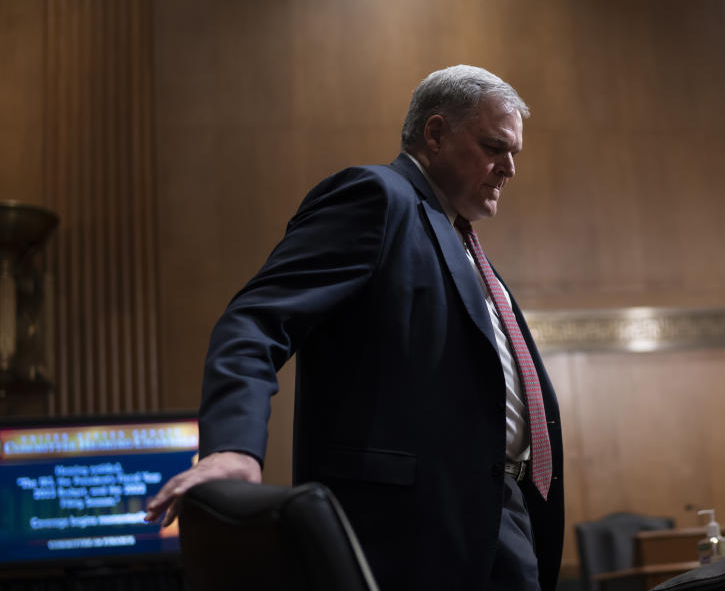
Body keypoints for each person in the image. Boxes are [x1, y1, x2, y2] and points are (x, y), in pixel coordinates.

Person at [145, 65, 564, 591]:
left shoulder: (462, 241)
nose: (508, 169)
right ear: (435, 133)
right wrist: (231, 447)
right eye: (493, 147)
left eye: (513, 154)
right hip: (414, 534)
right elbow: (255, 320)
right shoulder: (376, 198)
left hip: (498, 517)